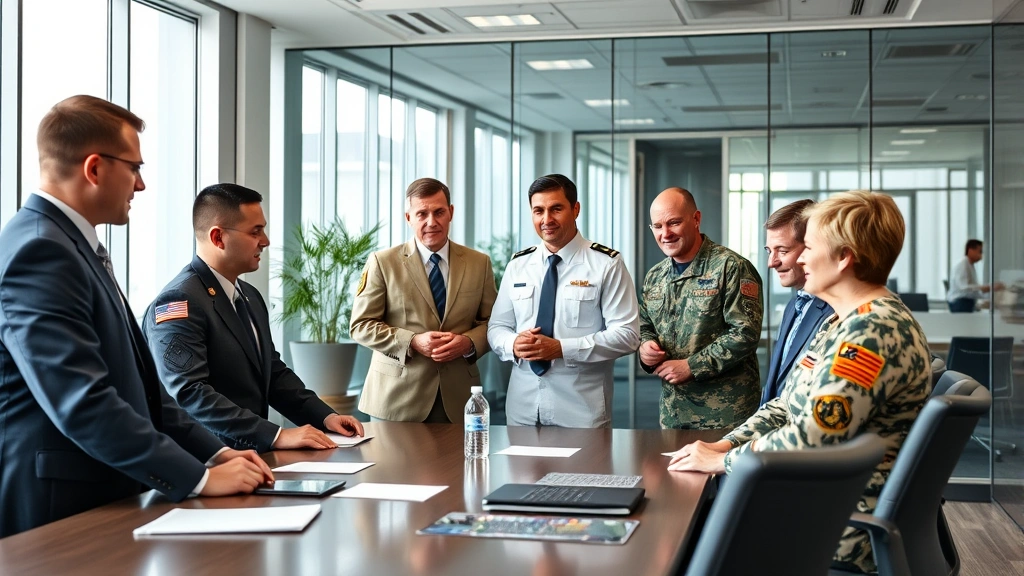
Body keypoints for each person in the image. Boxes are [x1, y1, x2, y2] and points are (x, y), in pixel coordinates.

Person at [0, 96, 272, 538]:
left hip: (105, 491)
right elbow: (82, 401)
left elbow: (144, 389)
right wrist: (198, 478)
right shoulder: (40, 250)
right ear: (94, 168)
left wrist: (214, 453)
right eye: (134, 168)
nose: (140, 185)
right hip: (60, 508)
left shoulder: (72, 245)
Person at [668, 190, 932, 574]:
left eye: (808, 247)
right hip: (818, 498)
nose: (801, 258)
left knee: (684, 540)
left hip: (833, 524)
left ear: (844, 258)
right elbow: (785, 404)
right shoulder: (840, 321)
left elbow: (813, 436)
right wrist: (725, 443)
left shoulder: (871, 331)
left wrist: (725, 460)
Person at [143, 183, 364, 453]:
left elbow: (272, 372)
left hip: (254, 459)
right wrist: (277, 435)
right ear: (218, 238)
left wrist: (325, 417)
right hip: (208, 462)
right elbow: (190, 392)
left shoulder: (249, 296)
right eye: (255, 231)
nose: (266, 241)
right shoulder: (179, 301)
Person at [487, 174, 640, 428]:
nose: (546, 220)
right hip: (522, 410)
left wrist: (561, 349)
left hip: (581, 412)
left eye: (556, 209)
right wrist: (514, 343)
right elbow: (496, 328)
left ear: (575, 209)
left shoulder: (606, 264)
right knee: (520, 470)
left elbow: (627, 335)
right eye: (538, 210)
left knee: (582, 470)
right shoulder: (518, 264)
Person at [350, 178, 496, 422]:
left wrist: (468, 342)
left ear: (451, 212)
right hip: (396, 401)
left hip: (460, 402)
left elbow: (493, 322)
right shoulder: (382, 262)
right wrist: (413, 341)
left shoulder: (479, 263)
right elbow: (361, 326)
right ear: (409, 218)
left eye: (439, 212)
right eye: (422, 214)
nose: (432, 222)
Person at [638, 187, 763, 430]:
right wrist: (645, 349)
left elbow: (745, 334)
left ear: (696, 219)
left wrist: (692, 366)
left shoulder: (731, 267)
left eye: (673, 223)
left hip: (725, 416)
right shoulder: (655, 276)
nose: (666, 234)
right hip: (673, 413)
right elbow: (645, 327)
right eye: (657, 226)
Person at [761, 200, 833, 405]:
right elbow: (776, 387)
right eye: (769, 251)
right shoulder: (794, 306)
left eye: (782, 251)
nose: (771, 262)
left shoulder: (837, 311)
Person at [948, 239, 1000, 312]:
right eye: (980, 251)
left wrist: (989, 290)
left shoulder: (970, 265)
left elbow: (973, 290)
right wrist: (985, 288)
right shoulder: (963, 265)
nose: (981, 255)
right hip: (960, 303)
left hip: (966, 302)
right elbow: (963, 287)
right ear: (970, 251)